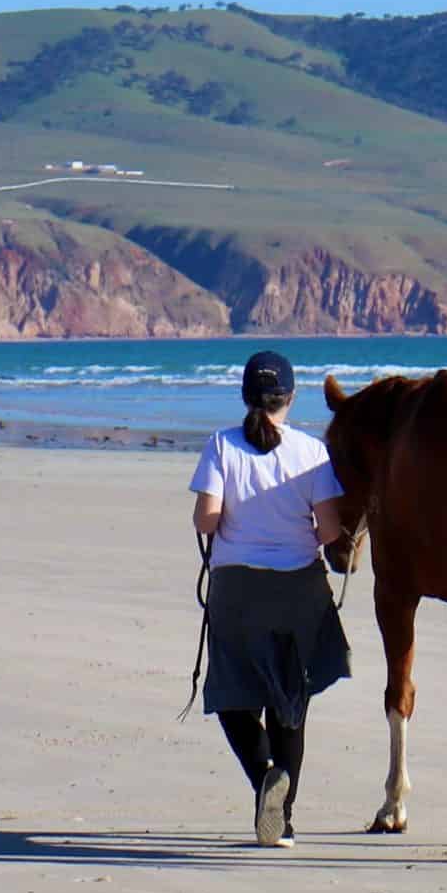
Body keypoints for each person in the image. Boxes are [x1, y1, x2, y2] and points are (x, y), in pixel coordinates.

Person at [188, 350, 352, 848]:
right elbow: (327, 532)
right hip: (299, 587)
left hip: (237, 587)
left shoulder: (221, 445)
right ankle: (284, 817)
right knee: (291, 701)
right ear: (291, 397)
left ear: (245, 396)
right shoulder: (312, 452)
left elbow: (205, 519)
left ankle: (264, 776)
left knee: (233, 693)